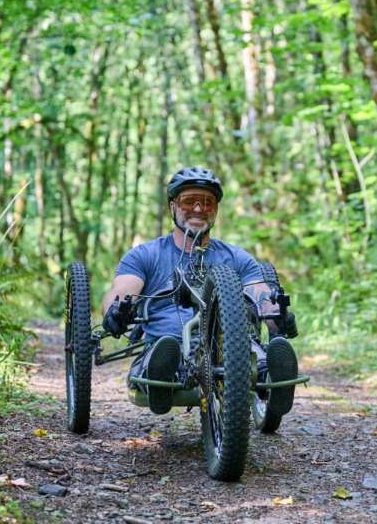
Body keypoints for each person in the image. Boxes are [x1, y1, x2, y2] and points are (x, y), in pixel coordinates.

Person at [100, 166, 298, 414]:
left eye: (207, 202)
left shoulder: (238, 258)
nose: (197, 209)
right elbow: (122, 291)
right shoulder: (146, 255)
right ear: (173, 206)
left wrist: (276, 315)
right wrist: (115, 310)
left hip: (232, 351)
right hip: (168, 343)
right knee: (164, 355)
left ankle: (273, 379)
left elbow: (258, 293)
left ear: (215, 209)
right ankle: (161, 378)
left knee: (255, 359)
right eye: (188, 201)